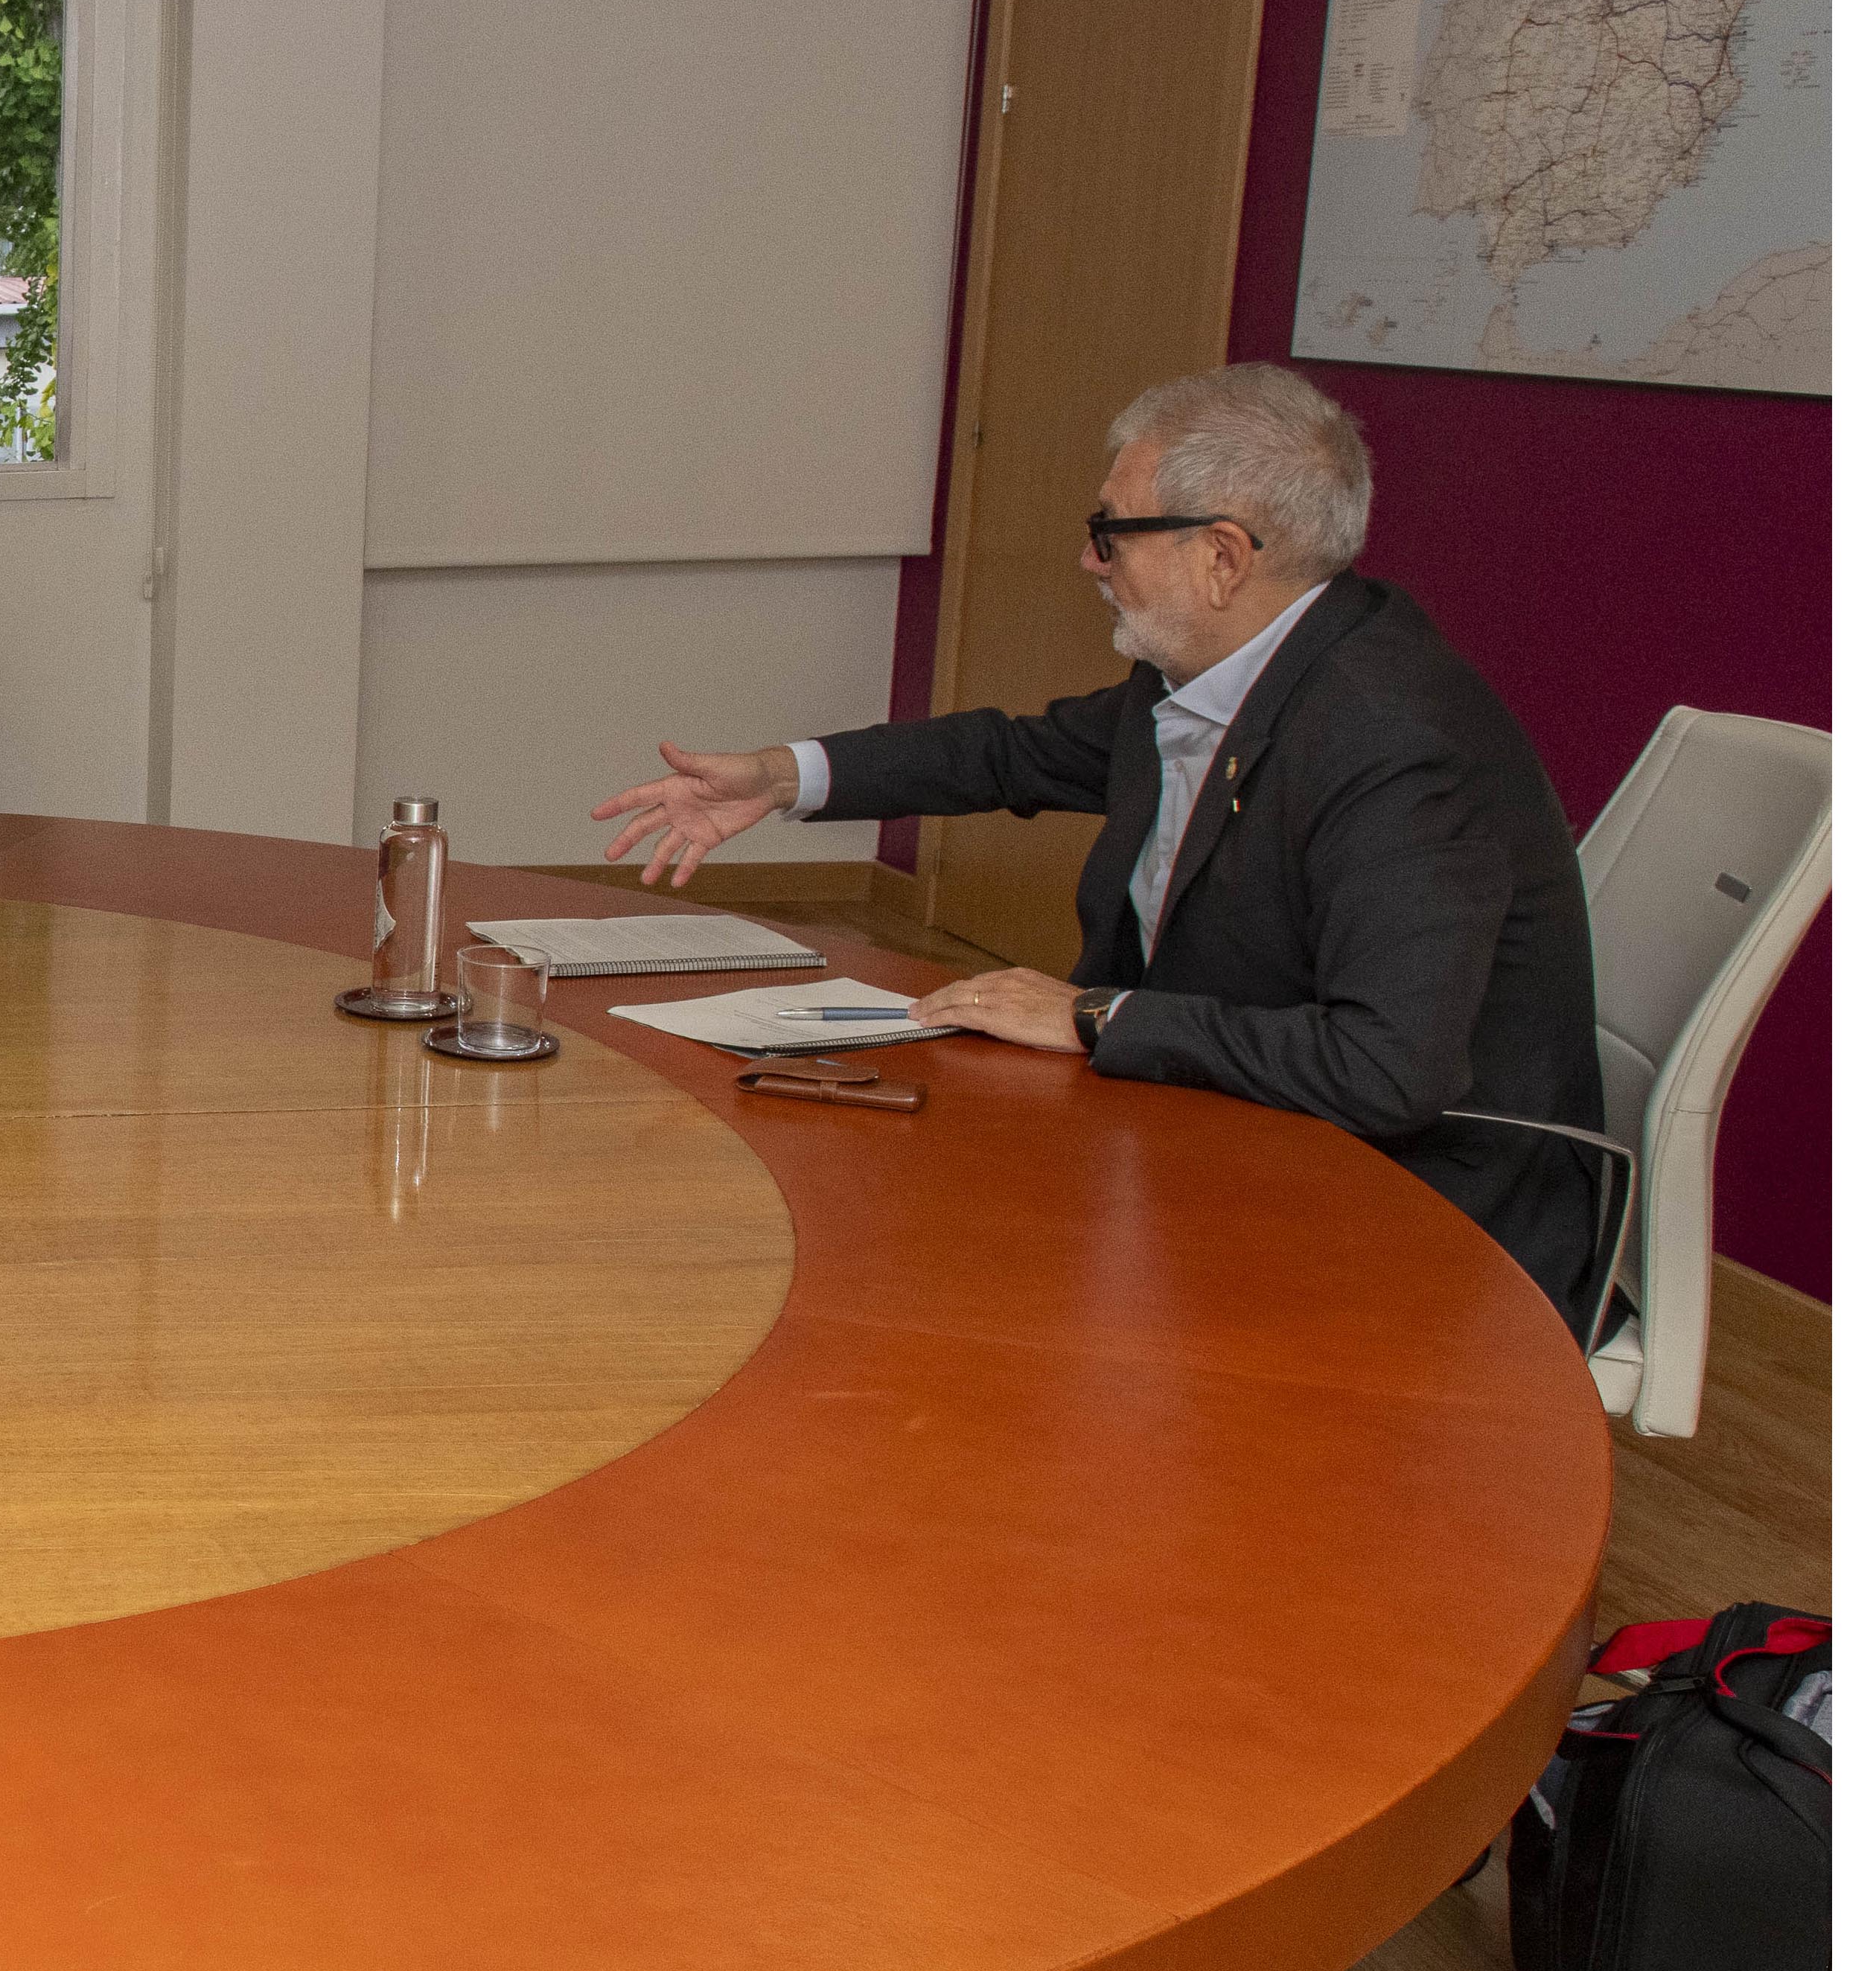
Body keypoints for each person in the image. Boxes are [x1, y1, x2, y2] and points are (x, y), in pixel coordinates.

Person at [593, 362, 1606, 1331]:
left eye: (1110, 532)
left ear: (1221, 557)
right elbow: (1011, 754)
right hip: (1234, 1128)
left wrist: (1091, 1015)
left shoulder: (1392, 743)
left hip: (1413, 1216)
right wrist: (779, 776)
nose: (1089, 560)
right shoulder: (1222, 671)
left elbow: (1384, 1070)